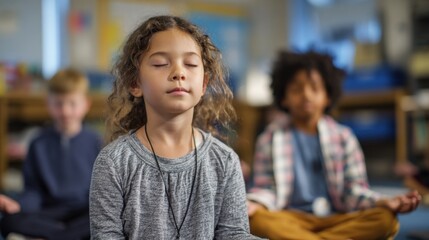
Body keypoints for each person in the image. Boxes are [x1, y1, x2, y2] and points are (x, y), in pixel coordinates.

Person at [89, 15, 262, 240]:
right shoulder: (113, 162)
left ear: (203, 84)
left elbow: (234, 234)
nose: (179, 73)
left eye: (190, 64)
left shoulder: (225, 161)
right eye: (161, 63)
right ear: (135, 83)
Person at [247, 50, 422, 240]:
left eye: (314, 88)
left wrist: (383, 201)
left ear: (328, 96)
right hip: (290, 218)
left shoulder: (344, 137)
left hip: (337, 218)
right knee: (255, 219)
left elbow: (353, 191)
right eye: (296, 89)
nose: (306, 95)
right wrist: (256, 203)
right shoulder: (269, 138)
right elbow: (267, 190)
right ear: (284, 98)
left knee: (386, 219)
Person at [0, 68, 102, 239]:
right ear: (49, 104)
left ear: (86, 104)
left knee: (105, 221)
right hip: (48, 213)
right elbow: (32, 191)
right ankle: (65, 235)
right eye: (58, 103)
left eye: (72, 103)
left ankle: (59, 235)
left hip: (84, 212)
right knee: (8, 222)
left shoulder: (96, 142)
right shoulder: (38, 143)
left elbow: (102, 193)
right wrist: (17, 205)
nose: (65, 111)